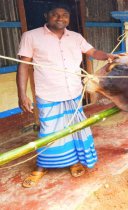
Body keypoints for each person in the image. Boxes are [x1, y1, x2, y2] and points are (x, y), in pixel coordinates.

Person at [17, 4, 118, 188]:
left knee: (72, 128)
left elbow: (93, 52)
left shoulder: (76, 37)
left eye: (64, 15)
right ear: (47, 15)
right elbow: (23, 65)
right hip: (48, 94)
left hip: (73, 92)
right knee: (48, 131)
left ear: (69, 18)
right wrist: (22, 94)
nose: (60, 18)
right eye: (55, 14)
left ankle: (72, 161)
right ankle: (42, 165)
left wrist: (109, 56)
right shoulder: (30, 36)